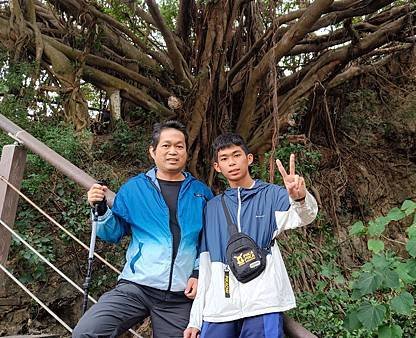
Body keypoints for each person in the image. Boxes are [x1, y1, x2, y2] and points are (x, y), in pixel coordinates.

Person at [73, 120, 213, 337]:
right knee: (87, 332)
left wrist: (197, 272)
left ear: (186, 151)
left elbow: (208, 241)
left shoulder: (201, 193)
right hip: (137, 286)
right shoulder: (134, 189)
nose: (173, 152)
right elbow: (114, 232)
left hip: (180, 294)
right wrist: (100, 209)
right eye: (166, 146)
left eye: (179, 146)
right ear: (153, 151)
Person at [184, 133, 318, 338]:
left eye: (236, 155)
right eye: (225, 158)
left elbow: (304, 217)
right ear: (217, 167)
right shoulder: (211, 208)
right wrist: (195, 319)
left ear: (249, 158)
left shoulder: (272, 195)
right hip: (220, 307)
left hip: (262, 304)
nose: (232, 162)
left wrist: (300, 197)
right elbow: (206, 264)